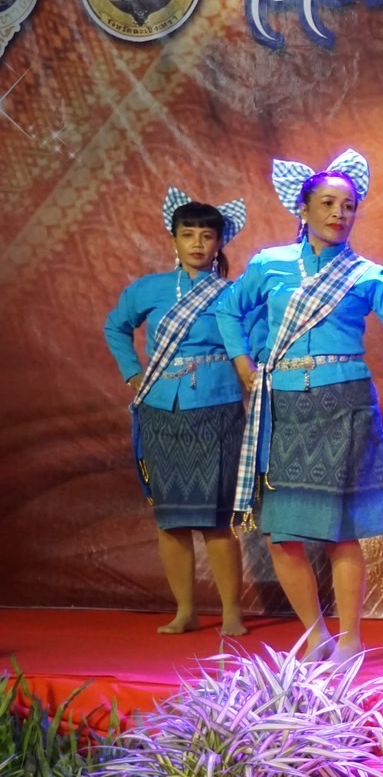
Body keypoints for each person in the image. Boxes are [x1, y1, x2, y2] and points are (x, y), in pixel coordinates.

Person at [215, 149, 383, 663]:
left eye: (348, 205)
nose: (339, 213)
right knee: (283, 536)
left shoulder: (365, 274)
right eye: (328, 204)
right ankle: (316, 636)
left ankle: (350, 639)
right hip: (284, 408)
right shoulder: (269, 264)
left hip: (344, 405)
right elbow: (227, 308)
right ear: (304, 208)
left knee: (341, 533)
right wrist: (243, 363)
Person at [104, 190, 250, 637]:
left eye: (207, 235)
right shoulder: (149, 289)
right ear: (174, 239)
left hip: (218, 408)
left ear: (219, 242)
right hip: (161, 408)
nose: (197, 244)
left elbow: (255, 343)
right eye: (188, 234)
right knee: (171, 519)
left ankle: (231, 612)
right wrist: (133, 374)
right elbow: (115, 327)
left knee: (217, 519)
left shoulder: (234, 293)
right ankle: (185, 611)